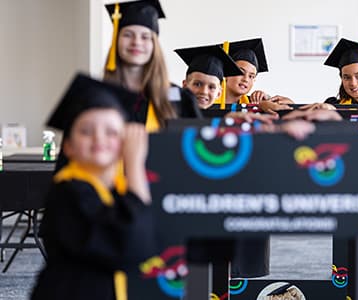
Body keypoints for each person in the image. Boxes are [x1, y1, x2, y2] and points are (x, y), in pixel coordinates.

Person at [32, 74, 155, 300]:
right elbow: (130, 245)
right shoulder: (69, 190)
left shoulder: (113, 188)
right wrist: (135, 165)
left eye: (112, 132)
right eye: (86, 131)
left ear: (124, 143)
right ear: (67, 146)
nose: (99, 138)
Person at [103, 0, 200, 132]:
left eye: (145, 37)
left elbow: (194, 145)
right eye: (127, 35)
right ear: (116, 40)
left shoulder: (179, 98)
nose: (136, 42)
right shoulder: (98, 95)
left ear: (154, 45)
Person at [176, 44, 243, 110]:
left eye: (211, 87)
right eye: (197, 84)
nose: (204, 91)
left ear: (219, 93)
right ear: (185, 86)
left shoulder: (221, 119)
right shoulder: (172, 113)